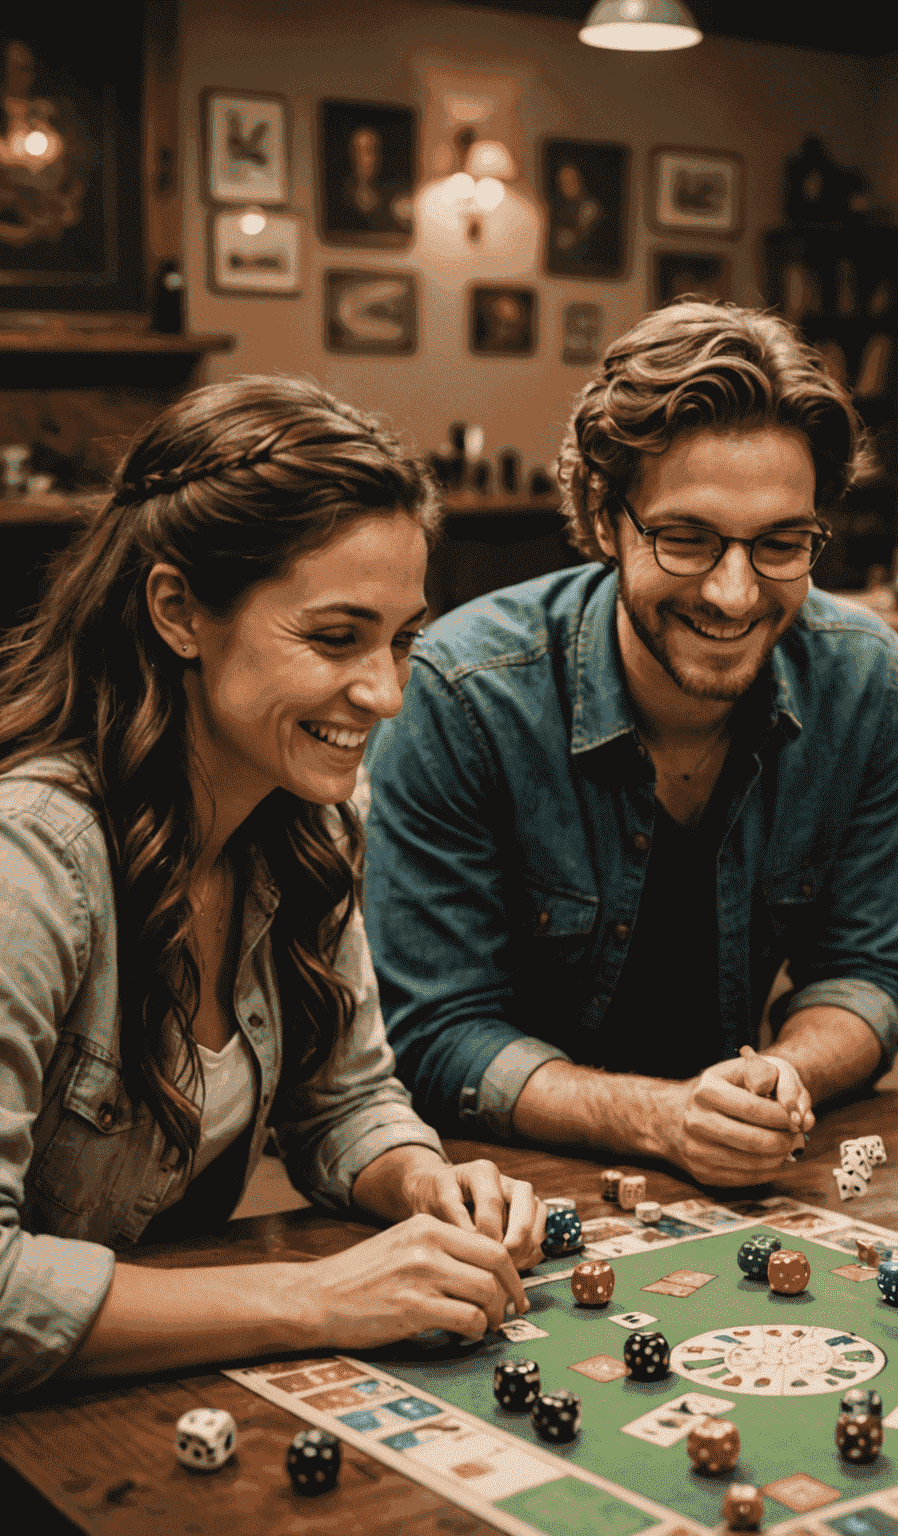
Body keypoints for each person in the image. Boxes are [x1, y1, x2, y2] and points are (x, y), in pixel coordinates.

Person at [0, 377, 545, 1394]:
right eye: (336, 638)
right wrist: (318, 1299)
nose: (385, 693)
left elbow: (345, 1100)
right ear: (177, 610)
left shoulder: (311, 813)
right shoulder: (27, 858)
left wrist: (422, 1180)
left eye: (402, 639)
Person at [363, 301, 898, 1186]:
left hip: (742, 1175)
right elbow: (433, 1033)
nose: (735, 595)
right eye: (687, 539)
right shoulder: (461, 694)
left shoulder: (862, 678)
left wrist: (782, 1077)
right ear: (606, 516)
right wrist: (660, 1118)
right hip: (499, 1178)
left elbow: (862, 974)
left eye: (781, 544)